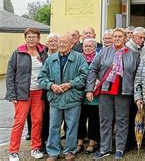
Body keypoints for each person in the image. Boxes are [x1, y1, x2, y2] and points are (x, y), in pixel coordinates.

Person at [85, 28, 140, 160]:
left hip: (124, 92)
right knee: (105, 120)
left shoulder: (133, 54)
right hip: (106, 91)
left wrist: (138, 95)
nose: (117, 38)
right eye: (114, 36)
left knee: (122, 121)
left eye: (120, 36)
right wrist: (89, 89)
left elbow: (138, 75)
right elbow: (93, 69)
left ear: (126, 38)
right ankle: (105, 148)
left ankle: (120, 148)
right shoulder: (104, 52)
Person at [38, 33, 89, 161]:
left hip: (72, 98)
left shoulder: (79, 58)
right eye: (60, 42)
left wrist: (71, 84)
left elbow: (84, 77)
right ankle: (53, 152)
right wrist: (51, 85)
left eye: (64, 42)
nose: (61, 44)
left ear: (71, 44)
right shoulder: (51, 59)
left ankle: (70, 151)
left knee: (71, 126)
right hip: (55, 98)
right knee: (53, 126)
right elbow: (41, 78)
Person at [6, 28, 48, 161]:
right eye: (29, 36)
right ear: (25, 38)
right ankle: (13, 151)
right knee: (19, 122)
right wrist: (12, 94)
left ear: (38, 38)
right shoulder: (18, 52)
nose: (32, 39)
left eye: (34, 36)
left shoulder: (43, 51)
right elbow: (10, 74)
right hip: (22, 92)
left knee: (37, 121)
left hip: (39, 92)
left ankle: (35, 148)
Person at [77, 38, 101, 155]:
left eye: (90, 46)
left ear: (95, 47)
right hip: (80, 94)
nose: (87, 48)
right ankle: (80, 142)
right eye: (85, 46)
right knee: (80, 119)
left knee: (93, 119)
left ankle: (92, 142)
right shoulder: (78, 58)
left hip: (94, 95)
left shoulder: (99, 58)